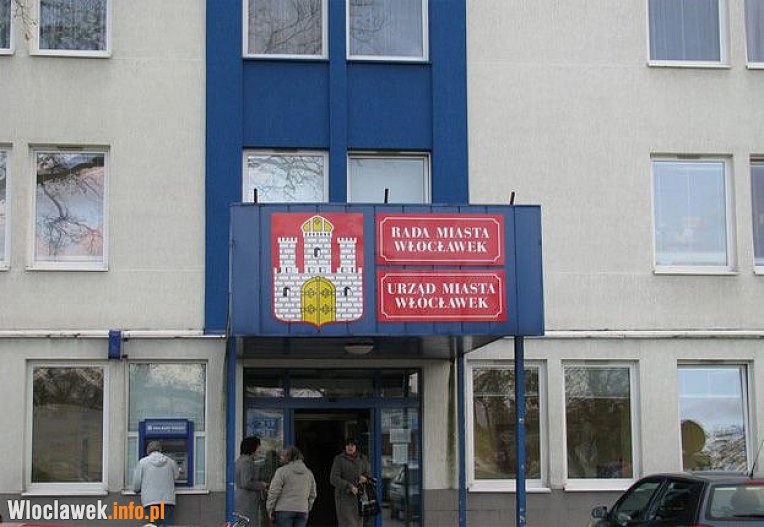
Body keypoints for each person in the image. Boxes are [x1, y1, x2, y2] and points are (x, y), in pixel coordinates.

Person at [266, 446, 317, 527]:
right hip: (302, 510)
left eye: (283, 456)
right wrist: (308, 508)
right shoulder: (309, 473)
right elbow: (313, 494)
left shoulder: (281, 471)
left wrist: (269, 508)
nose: (281, 458)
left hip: (284, 509)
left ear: (287, 457)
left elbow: (274, 491)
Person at [132, 440, 180, 526]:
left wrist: (136, 490)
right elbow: (176, 476)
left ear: (148, 450)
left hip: (150, 500)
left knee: (154, 525)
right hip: (167, 500)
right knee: (167, 524)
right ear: (160, 450)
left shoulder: (143, 462)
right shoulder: (170, 462)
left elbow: (136, 483)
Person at [330, 438, 370, 527]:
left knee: (358, 524)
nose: (350, 447)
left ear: (356, 447)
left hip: (359, 497)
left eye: (352, 445)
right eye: (348, 445)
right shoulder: (339, 459)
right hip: (344, 498)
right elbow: (333, 478)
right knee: (348, 524)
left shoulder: (362, 459)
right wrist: (349, 486)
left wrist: (365, 478)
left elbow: (367, 474)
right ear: (345, 447)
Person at [234, 436, 269, 527]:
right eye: (258, 447)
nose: (259, 450)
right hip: (248, 500)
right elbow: (246, 482)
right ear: (252, 447)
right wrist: (262, 485)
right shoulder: (247, 461)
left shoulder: (240, 460)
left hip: (242, 499)